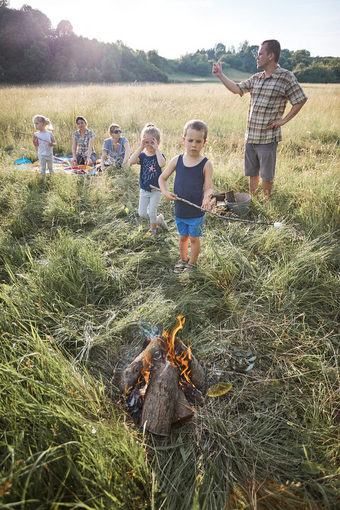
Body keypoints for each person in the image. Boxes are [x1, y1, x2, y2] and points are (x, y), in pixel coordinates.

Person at [212, 39, 307, 200]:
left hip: (268, 137)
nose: (257, 57)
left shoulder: (285, 77)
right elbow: (237, 89)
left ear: (271, 56)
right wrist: (220, 75)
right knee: (251, 171)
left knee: (267, 174)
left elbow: (300, 99)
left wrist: (283, 121)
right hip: (251, 135)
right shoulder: (256, 78)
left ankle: (266, 202)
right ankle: (252, 199)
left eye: (260, 54)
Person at [158, 119, 213, 273]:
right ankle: (183, 259)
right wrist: (165, 192)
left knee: (194, 238)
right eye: (190, 140)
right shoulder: (177, 160)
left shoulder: (206, 164)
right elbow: (162, 178)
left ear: (204, 143)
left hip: (196, 211)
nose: (193, 144)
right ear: (184, 140)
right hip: (180, 210)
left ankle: (192, 264)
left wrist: (206, 198)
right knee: (183, 237)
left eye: (198, 141)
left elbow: (208, 188)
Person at [129, 123, 168, 235]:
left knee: (151, 212)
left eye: (152, 142)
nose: (149, 145)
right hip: (144, 190)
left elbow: (162, 164)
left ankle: (153, 230)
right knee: (142, 213)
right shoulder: (142, 156)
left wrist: (157, 149)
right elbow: (131, 161)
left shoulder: (159, 155)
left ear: (158, 142)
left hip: (156, 190)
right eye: (147, 142)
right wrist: (141, 147)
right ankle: (158, 220)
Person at [32, 114, 56, 179]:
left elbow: (55, 143)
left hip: (49, 154)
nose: (35, 125)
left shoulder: (49, 133)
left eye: (37, 123)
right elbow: (36, 145)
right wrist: (34, 141)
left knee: (50, 167)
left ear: (43, 124)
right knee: (42, 168)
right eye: (34, 124)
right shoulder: (36, 134)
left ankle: (52, 178)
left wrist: (52, 144)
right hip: (41, 154)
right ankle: (43, 179)